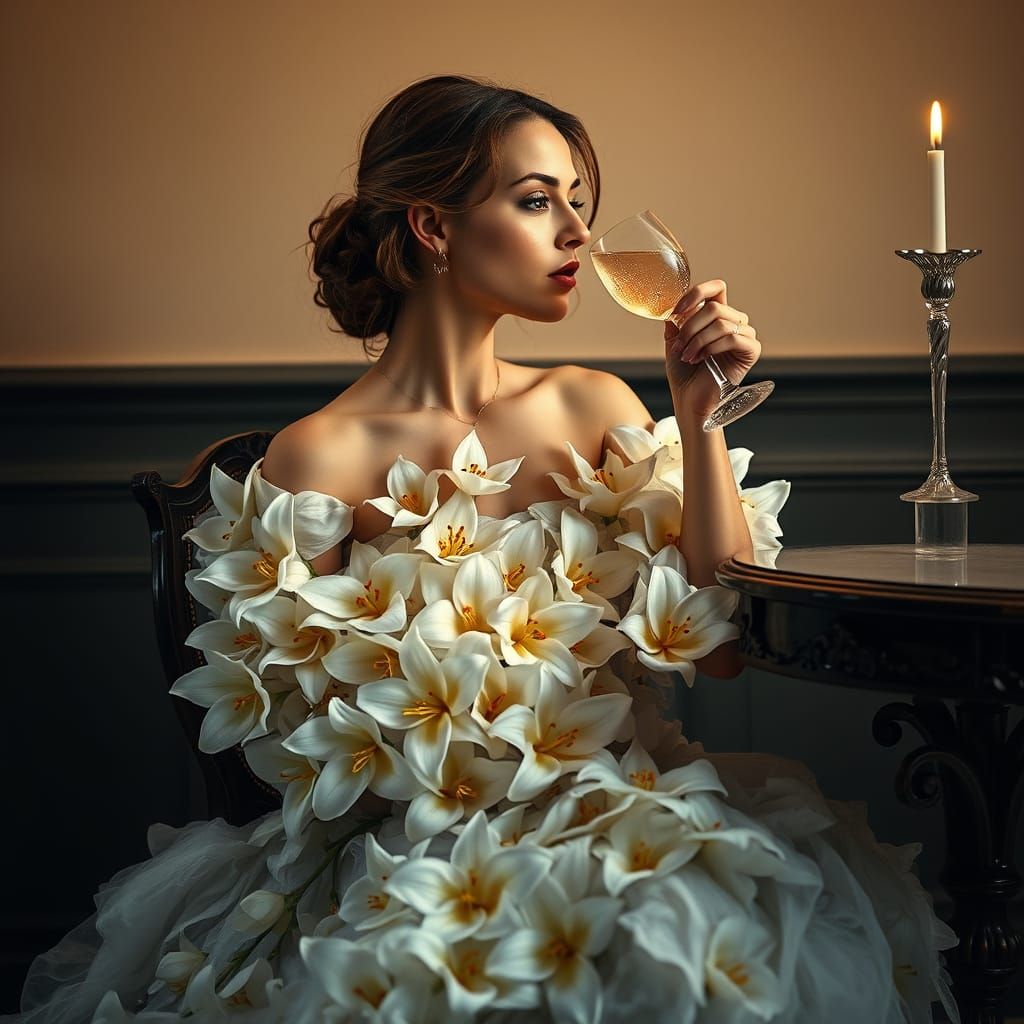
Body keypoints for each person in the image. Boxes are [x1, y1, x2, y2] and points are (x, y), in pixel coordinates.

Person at [11, 74, 959, 1024]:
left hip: (624, 811)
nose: (579, 234)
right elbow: (306, 741)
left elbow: (718, 649)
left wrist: (699, 417)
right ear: (432, 226)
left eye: (576, 204)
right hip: (418, 852)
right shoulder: (320, 455)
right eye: (537, 200)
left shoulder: (592, 405)